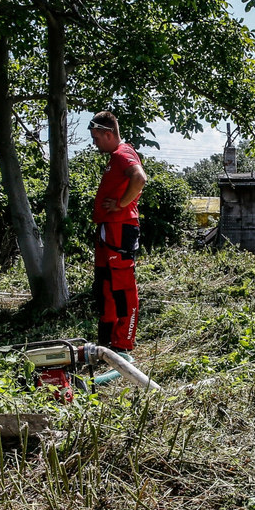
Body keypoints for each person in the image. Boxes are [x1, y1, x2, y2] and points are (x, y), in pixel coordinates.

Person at [89, 110, 148, 354]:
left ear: (108, 133)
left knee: (122, 288)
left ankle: (123, 343)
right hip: (107, 230)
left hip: (120, 230)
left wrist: (121, 204)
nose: (94, 143)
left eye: (96, 137)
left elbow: (140, 178)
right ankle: (107, 341)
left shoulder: (124, 154)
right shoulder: (114, 157)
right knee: (105, 286)